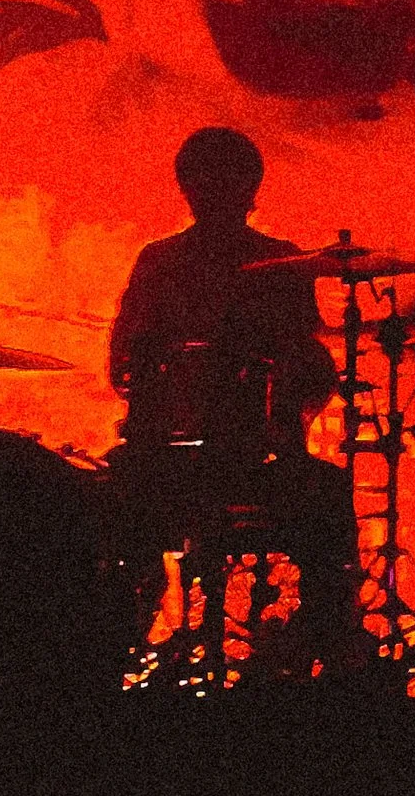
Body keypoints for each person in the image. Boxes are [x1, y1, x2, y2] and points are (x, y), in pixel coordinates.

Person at [106, 129, 363, 680]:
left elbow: (121, 370)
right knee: (328, 498)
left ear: (184, 190)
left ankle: (113, 651)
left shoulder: (158, 263)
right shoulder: (283, 264)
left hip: (162, 470)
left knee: (109, 505)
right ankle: (326, 652)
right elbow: (309, 373)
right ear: (255, 190)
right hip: (259, 468)